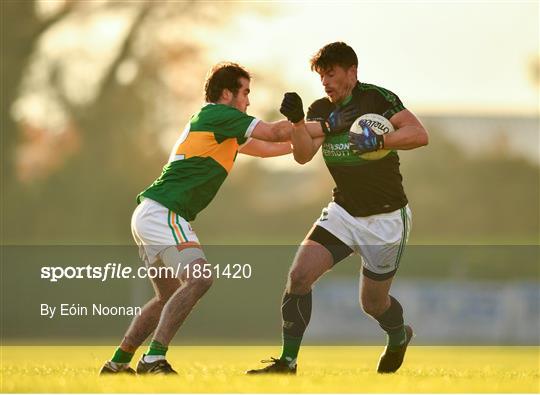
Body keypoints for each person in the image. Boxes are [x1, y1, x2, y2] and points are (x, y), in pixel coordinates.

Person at [99, 62, 297, 375]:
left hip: (150, 212)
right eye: (245, 92)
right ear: (227, 93)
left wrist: (316, 136)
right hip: (165, 211)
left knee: (165, 297)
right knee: (200, 278)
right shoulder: (218, 115)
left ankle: (118, 362)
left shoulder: (223, 128)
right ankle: (154, 359)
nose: (248, 100)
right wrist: (304, 122)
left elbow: (274, 148)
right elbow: (275, 132)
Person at [247, 42, 428, 375]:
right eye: (321, 77)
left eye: (331, 74)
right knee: (299, 277)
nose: (326, 82)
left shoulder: (377, 99)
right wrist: (299, 122)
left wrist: (381, 140)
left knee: (372, 304)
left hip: (386, 218)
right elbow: (302, 155)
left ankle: (399, 335)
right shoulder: (320, 109)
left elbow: (419, 134)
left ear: (352, 72)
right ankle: (287, 362)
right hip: (343, 212)